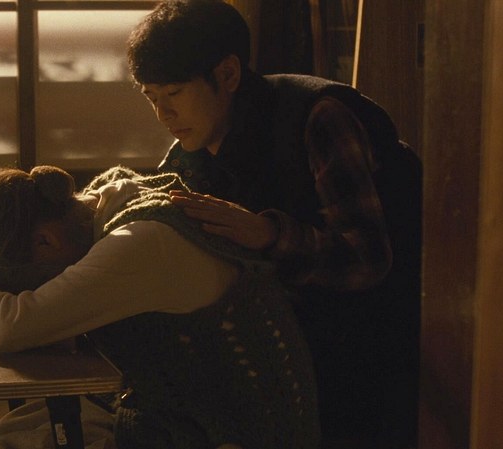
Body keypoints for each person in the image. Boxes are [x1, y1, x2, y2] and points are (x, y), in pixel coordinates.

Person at [126, 1, 422, 448]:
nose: (163, 115)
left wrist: (269, 235)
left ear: (228, 74)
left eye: (174, 93)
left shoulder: (317, 116)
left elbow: (368, 260)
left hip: (367, 354)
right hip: (275, 355)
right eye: (152, 98)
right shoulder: (189, 152)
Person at [0, 165, 320, 449]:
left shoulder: (138, 243)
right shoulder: (107, 202)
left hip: (236, 432)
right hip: (178, 410)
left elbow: (14, 326)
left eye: (31, 285)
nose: (43, 290)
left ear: (45, 241)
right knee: (15, 435)